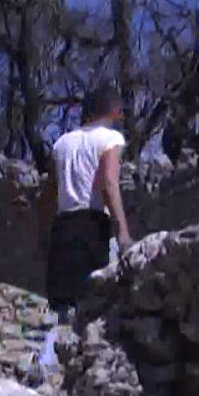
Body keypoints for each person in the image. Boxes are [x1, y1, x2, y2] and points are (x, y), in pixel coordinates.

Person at [39, 82, 133, 321]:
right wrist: (122, 231)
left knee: (61, 303)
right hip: (91, 225)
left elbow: (49, 193)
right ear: (114, 111)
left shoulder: (62, 143)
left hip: (63, 226)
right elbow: (109, 185)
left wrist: (43, 232)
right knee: (90, 302)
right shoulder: (110, 138)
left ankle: (52, 354)